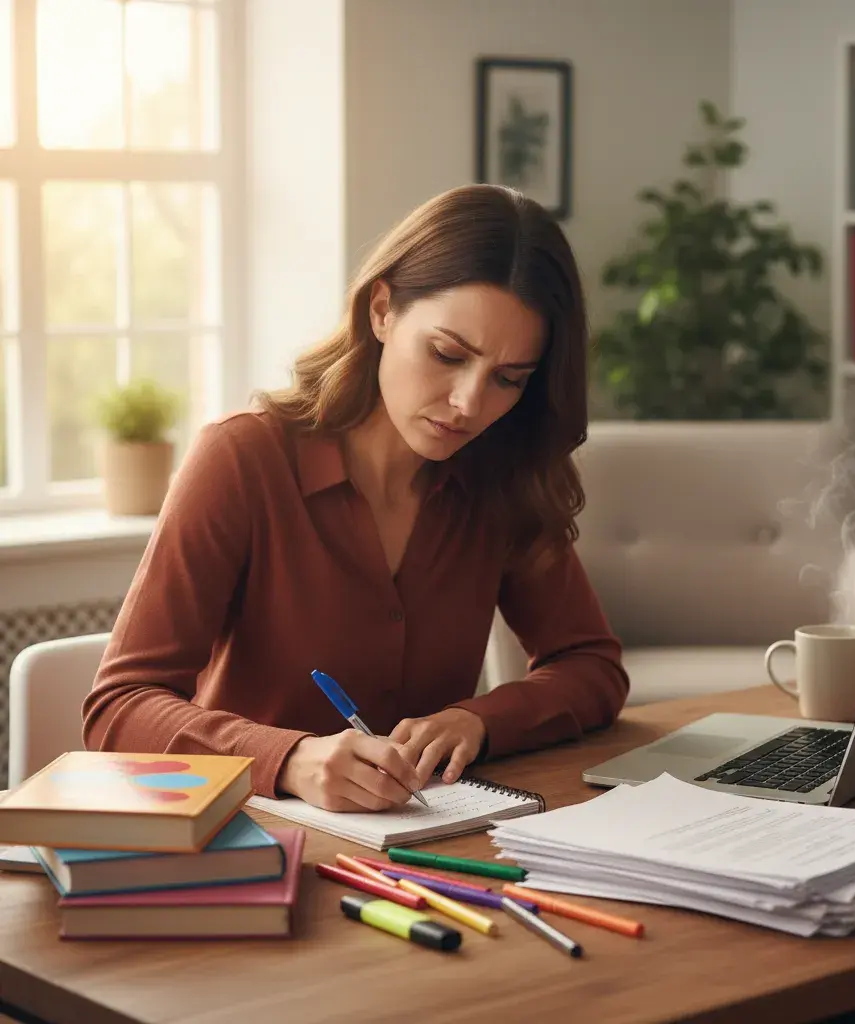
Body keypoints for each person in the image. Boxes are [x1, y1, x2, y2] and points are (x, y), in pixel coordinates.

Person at [82, 183, 629, 813]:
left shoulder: (502, 474)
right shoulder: (242, 460)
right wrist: (287, 759)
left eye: (508, 379)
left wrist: (477, 720)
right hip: (256, 842)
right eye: (448, 354)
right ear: (381, 310)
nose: (470, 404)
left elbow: (592, 667)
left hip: (430, 845)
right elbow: (118, 706)